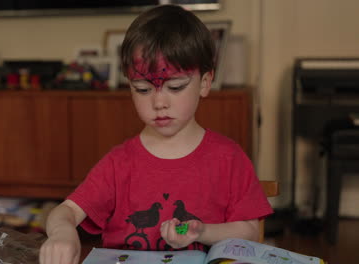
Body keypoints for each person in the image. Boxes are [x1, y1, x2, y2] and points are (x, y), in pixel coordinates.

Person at [40, 5, 273, 264]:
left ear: (205, 83)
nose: (159, 102)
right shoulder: (119, 163)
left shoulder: (229, 158)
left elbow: (250, 232)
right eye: (142, 89)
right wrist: (63, 232)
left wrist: (203, 231)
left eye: (175, 87)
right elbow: (65, 211)